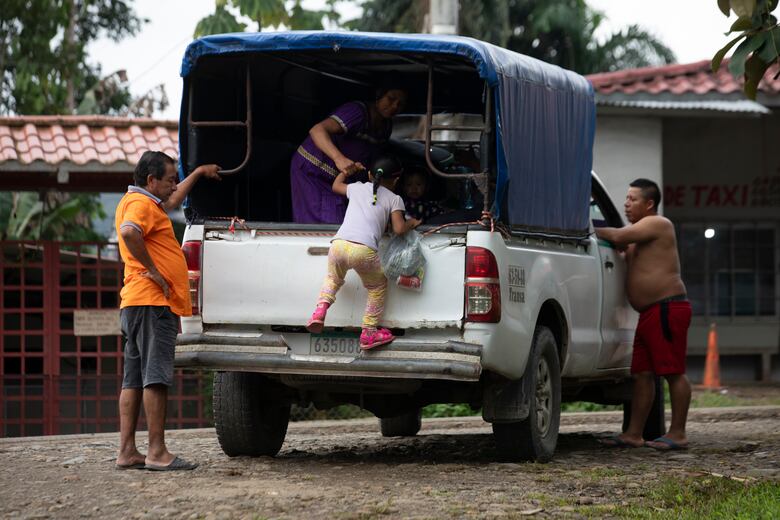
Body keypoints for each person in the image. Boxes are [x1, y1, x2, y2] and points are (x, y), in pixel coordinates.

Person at [114, 151, 221, 471]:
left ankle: (127, 451)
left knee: (133, 379)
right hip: (152, 304)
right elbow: (129, 232)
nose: (174, 186)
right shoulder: (141, 205)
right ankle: (157, 452)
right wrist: (155, 271)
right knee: (155, 378)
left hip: (135, 303)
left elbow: (173, 200)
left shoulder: (142, 201)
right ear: (151, 180)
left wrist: (198, 172)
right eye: (170, 180)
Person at [595, 178, 692, 451]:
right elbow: (621, 243)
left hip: (667, 308)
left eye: (632, 199)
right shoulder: (637, 236)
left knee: (673, 372)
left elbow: (617, 236)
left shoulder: (658, 224)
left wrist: (587, 228)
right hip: (649, 313)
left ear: (649, 204)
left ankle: (678, 433)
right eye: (626, 198)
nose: (626, 204)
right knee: (642, 374)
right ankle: (633, 433)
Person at [306, 155, 421, 349]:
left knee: (333, 279)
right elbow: (399, 229)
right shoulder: (395, 199)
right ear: (396, 180)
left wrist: (346, 171)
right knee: (377, 287)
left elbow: (336, 186)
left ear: (369, 174)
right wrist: (412, 222)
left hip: (339, 244)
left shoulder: (357, 187)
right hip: (363, 249)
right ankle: (369, 332)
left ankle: (320, 312)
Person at [290, 86, 408, 224]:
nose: (395, 106)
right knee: (327, 223)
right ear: (379, 94)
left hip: (341, 180)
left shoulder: (386, 127)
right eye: (391, 99)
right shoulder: (357, 112)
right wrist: (339, 158)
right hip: (314, 171)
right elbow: (317, 130)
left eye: (400, 104)